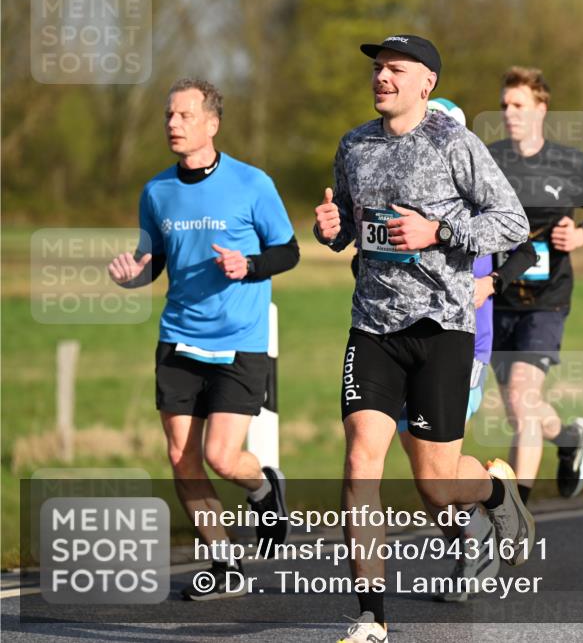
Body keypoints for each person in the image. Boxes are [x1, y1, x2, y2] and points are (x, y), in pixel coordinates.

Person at [312, 36, 532, 642]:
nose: (382, 77)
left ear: (425, 83)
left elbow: (511, 224)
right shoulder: (353, 145)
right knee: (360, 463)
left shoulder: (454, 144)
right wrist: (329, 230)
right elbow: (349, 231)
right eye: (378, 68)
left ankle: (494, 489)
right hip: (373, 326)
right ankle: (370, 618)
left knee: (435, 482)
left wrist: (438, 229)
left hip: (441, 327)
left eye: (395, 69)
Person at [107, 78, 299, 600]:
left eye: (185, 116)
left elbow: (288, 251)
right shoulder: (156, 191)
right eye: (170, 115)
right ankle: (223, 562)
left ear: (211, 124)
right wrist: (131, 275)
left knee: (220, 456)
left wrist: (250, 265)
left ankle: (263, 487)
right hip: (179, 337)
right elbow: (155, 263)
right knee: (180, 457)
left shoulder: (252, 183)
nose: (173, 124)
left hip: (239, 340)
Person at [487, 66, 583, 504]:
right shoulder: (489, 160)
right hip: (499, 294)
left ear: (541, 109)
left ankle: (515, 508)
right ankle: (570, 439)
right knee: (523, 407)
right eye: (504, 105)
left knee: (522, 400)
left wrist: (580, 235)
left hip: (548, 299)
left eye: (518, 105)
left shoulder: (569, 164)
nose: (509, 113)